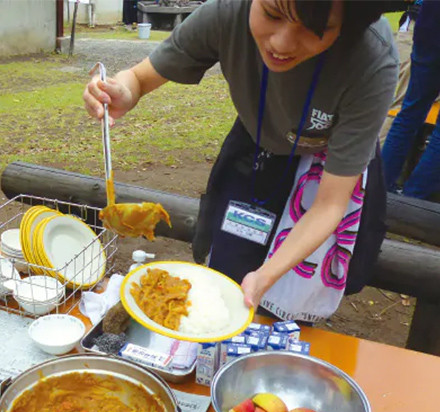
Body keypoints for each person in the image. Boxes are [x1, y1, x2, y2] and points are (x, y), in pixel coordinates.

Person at [84, 0, 399, 323]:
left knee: (290, 297)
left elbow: (329, 206)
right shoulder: (226, 13)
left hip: (330, 169)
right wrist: (123, 90)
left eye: (314, 28)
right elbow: (138, 77)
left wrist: (265, 276)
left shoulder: (372, 59)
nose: (281, 43)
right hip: (257, 145)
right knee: (229, 276)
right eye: (272, 15)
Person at [381, 1, 440, 199]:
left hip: (429, 28)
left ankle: (377, 187)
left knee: (407, 113)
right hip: (426, 27)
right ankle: (413, 199)